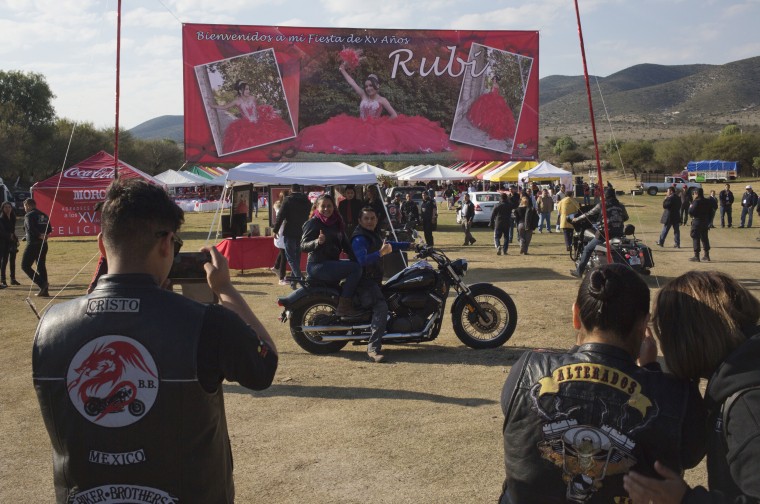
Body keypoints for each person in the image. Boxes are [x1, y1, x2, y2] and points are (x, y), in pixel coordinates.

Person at [32, 179, 278, 504]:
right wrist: (226, 290)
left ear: (102, 245)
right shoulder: (209, 322)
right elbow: (264, 367)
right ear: (166, 244)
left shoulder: (49, 326)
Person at [499, 263, 706, 504]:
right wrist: (650, 372)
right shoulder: (677, 394)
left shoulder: (527, 369)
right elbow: (690, 453)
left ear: (576, 315)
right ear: (643, 325)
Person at [623, 270, 760, 504]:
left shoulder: (747, 405)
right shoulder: (742, 371)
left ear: (687, 337)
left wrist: (686, 499)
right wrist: (651, 372)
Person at [298, 57, 450, 155]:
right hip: (360, 125)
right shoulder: (363, 95)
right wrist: (342, 69)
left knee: (375, 144)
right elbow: (352, 83)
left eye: (371, 86)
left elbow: (394, 115)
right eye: (367, 86)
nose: (368, 88)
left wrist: (383, 123)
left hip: (376, 126)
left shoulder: (382, 100)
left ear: (376, 86)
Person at [351, 206, 413, 362]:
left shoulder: (372, 235)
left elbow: (388, 245)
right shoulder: (360, 238)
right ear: (360, 220)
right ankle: (373, 349)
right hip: (364, 282)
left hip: (373, 280)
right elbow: (362, 260)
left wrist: (410, 245)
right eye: (366, 218)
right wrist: (380, 253)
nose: (370, 221)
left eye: (372, 218)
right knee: (381, 307)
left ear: (377, 219)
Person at [301, 194, 362, 318]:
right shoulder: (313, 223)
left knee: (357, 267)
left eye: (329, 206)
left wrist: (359, 261)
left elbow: (346, 245)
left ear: (334, 207)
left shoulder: (337, 222)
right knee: (355, 269)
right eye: (322, 206)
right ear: (317, 207)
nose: (326, 209)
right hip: (318, 265)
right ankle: (344, 307)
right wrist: (317, 242)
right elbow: (302, 245)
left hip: (330, 263)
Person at [211, 80, 293, 154]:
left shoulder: (252, 98)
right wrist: (212, 106)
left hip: (259, 122)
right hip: (247, 126)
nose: (248, 91)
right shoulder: (237, 101)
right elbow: (225, 107)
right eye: (246, 89)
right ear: (240, 90)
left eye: (248, 89)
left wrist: (266, 113)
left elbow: (257, 109)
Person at [570, 188, 629, 278]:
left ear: (605, 195)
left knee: (587, 249)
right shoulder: (621, 205)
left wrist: (576, 219)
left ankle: (579, 272)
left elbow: (588, 214)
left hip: (604, 234)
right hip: (619, 232)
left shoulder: (602, 205)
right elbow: (626, 217)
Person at [273, 184, 312, 285]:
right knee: (297, 257)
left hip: (290, 231)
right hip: (302, 230)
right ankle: (294, 282)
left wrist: (275, 229)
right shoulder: (306, 200)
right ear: (300, 190)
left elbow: (280, 216)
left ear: (291, 190)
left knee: (290, 257)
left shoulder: (288, 200)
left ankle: (299, 277)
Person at [466, 76, 516, 141]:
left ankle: (488, 126)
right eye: (493, 79)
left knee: (491, 112)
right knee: (491, 112)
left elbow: (493, 91)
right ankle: (488, 126)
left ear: (496, 80)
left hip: (493, 97)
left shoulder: (494, 84)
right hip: (495, 97)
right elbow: (496, 92)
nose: (493, 80)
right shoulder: (497, 85)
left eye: (494, 79)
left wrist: (491, 93)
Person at [22, 198, 52, 296]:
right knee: (41, 266)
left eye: (25, 206)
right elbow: (49, 228)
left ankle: (42, 284)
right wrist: (44, 235)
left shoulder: (29, 215)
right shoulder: (44, 215)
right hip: (43, 244)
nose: (25, 209)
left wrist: (39, 235)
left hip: (33, 244)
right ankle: (45, 291)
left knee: (25, 266)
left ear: (28, 205)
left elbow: (30, 228)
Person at [689, 187, 712, 262]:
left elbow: (691, 211)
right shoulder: (708, 201)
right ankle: (706, 255)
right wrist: (709, 221)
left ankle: (696, 256)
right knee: (705, 238)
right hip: (705, 222)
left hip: (697, 221)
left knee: (695, 237)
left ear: (697, 193)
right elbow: (711, 212)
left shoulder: (696, 201)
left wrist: (693, 201)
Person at [0, 200, 20, 287]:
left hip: (12, 242)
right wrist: (9, 235)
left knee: (12, 260)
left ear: (11, 208)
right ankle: (3, 279)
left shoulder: (13, 217)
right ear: (2, 209)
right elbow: (1, 232)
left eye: (9, 207)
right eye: (6, 207)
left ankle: (13, 279)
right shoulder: (1, 218)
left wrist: (16, 238)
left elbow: (13, 230)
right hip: (3, 242)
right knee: (4, 261)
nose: (7, 209)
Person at [272, 190, 289, 285]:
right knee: (284, 256)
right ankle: (281, 278)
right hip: (281, 235)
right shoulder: (281, 210)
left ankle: (275, 267)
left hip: (281, 235)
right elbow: (281, 222)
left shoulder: (281, 208)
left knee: (282, 252)